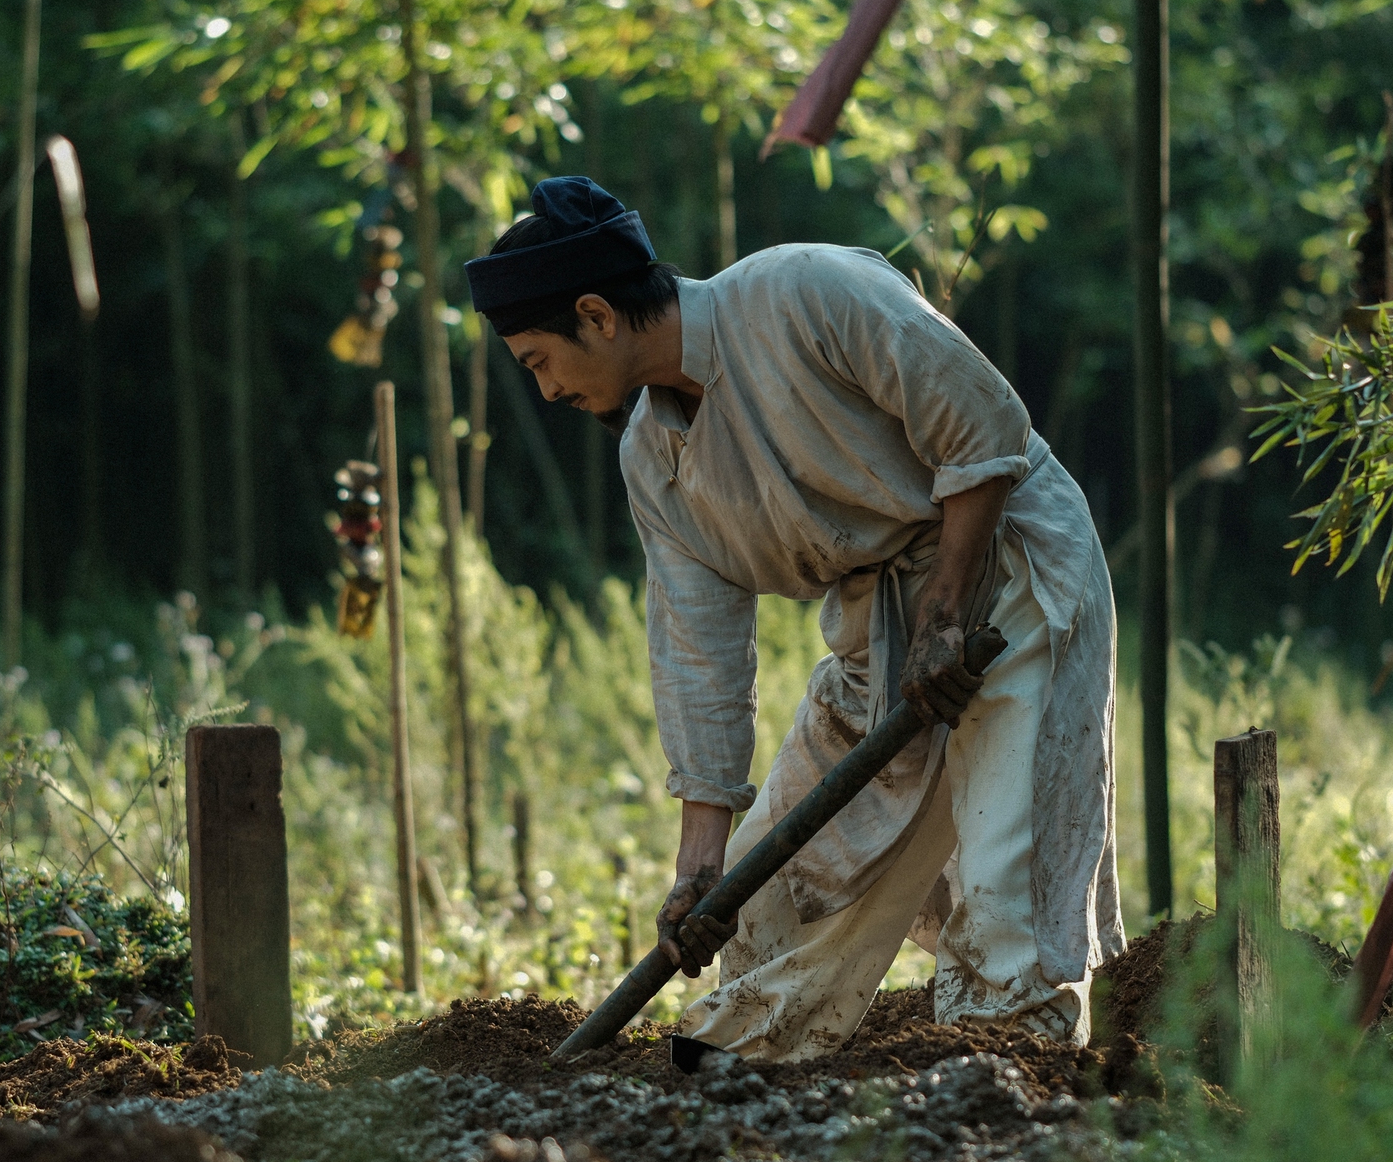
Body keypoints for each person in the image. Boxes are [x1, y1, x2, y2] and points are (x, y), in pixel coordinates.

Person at [465, 177, 1122, 1056]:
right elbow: (701, 656)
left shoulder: (805, 291)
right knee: (763, 906)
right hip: (877, 634)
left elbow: (983, 423)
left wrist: (945, 616)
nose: (544, 391)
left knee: (1004, 886)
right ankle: (751, 1062)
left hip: (1004, 575)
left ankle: (1009, 1082)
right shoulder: (651, 461)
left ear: (597, 314)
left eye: (537, 360)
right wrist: (699, 868)